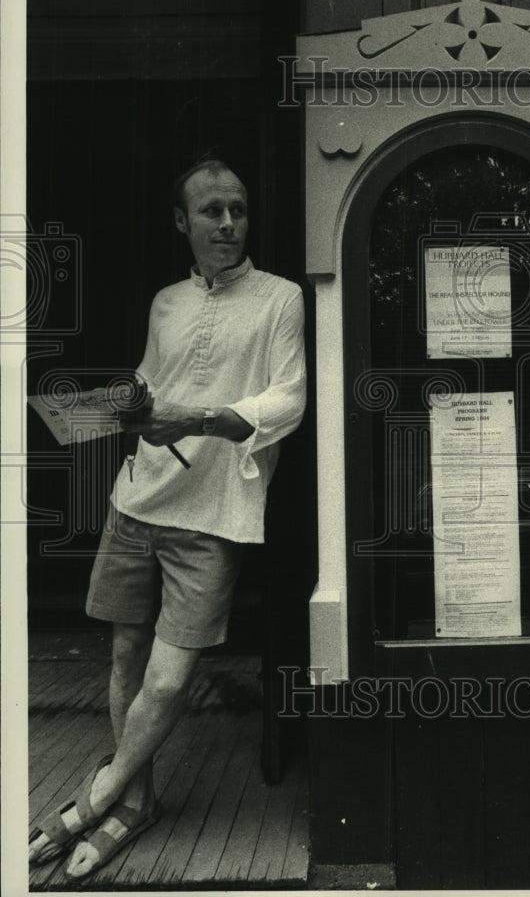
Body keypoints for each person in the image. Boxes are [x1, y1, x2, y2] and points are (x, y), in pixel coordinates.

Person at [28, 159, 307, 880]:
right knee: (123, 657)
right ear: (181, 222)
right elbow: (153, 384)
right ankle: (134, 803)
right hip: (137, 499)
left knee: (168, 677)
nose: (227, 224)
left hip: (215, 513)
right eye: (210, 211)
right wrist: (113, 406)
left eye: (237, 210)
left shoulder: (280, 299)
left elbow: (289, 400)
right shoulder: (163, 302)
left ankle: (92, 801)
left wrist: (205, 417)